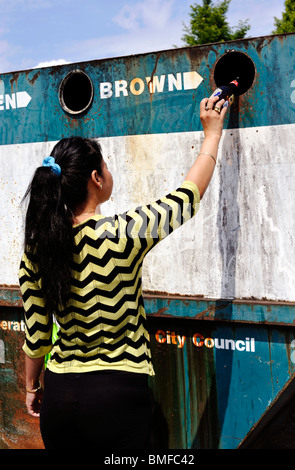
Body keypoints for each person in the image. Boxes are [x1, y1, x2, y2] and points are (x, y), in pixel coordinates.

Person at [19, 95, 227, 449]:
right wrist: (212, 135)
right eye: (107, 167)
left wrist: (31, 388)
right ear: (96, 179)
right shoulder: (125, 232)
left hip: (60, 395)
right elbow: (188, 196)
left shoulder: (37, 249)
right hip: (118, 396)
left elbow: (38, 338)